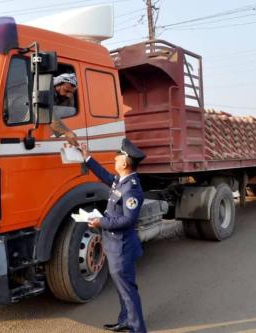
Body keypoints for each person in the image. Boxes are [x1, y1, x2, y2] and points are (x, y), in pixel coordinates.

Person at [81, 138, 148, 333]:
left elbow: (128, 220)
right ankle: (125, 320)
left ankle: (138, 329)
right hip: (115, 245)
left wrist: (100, 221)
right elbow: (105, 176)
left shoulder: (131, 188)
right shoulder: (122, 180)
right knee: (122, 289)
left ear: (125, 163)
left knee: (128, 290)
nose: (114, 159)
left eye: (117, 157)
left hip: (122, 247)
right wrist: (87, 158)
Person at [50, 73, 78, 146]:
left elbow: (70, 113)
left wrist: (71, 100)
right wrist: (66, 132)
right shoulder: (46, 93)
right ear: (57, 85)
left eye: (71, 92)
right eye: (66, 91)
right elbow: (46, 113)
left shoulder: (68, 97)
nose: (68, 95)